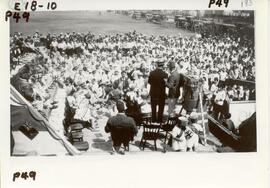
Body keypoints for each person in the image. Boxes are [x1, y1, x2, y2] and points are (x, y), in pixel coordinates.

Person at [148, 59, 168, 123]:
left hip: (153, 93)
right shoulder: (165, 74)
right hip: (161, 94)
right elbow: (166, 84)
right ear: (162, 65)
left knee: (153, 107)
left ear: (157, 65)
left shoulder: (152, 73)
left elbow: (149, 82)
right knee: (161, 108)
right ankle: (159, 120)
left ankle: (153, 120)